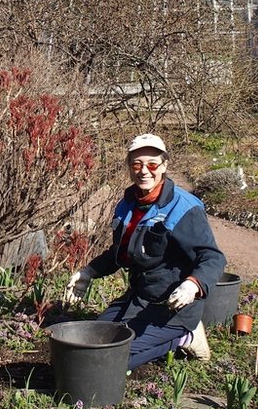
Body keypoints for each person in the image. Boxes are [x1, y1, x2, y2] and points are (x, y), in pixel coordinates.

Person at [63, 133, 226, 370]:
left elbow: (213, 257)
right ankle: (156, 334)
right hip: (139, 297)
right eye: (137, 164)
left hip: (172, 307)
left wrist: (192, 285)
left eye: (152, 164)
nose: (144, 171)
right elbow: (120, 253)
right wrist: (88, 272)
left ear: (164, 165)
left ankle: (184, 337)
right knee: (92, 341)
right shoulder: (127, 204)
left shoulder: (184, 207)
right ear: (129, 167)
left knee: (111, 360)